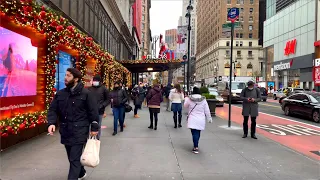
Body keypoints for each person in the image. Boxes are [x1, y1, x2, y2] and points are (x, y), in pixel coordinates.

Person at [47, 68, 99, 180]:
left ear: (76, 79)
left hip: (80, 130)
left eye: (69, 75)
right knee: (71, 156)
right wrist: (51, 123)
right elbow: (53, 109)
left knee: (74, 158)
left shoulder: (86, 94)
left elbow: (93, 112)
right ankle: (81, 172)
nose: (65, 78)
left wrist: (94, 128)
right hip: (65, 130)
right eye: (65, 75)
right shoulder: (61, 94)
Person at [184, 87, 212, 154]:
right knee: (198, 132)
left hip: (192, 118)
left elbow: (185, 106)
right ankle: (196, 145)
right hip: (201, 118)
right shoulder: (203, 100)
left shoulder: (189, 99)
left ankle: (195, 146)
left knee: (194, 133)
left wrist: (186, 99)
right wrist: (209, 118)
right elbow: (207, 110)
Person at [88, 74, 110, 139]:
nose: (95, 82)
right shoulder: (89, 89)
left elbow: (108, 99)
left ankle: (97, 138)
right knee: (89, 125)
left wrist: (102, 105)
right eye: (94, 80)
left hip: (99, 111)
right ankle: (90, 138)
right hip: (90, 110)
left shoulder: (104, 89)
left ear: (99, 81)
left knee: (98, 125)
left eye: (96, 80)